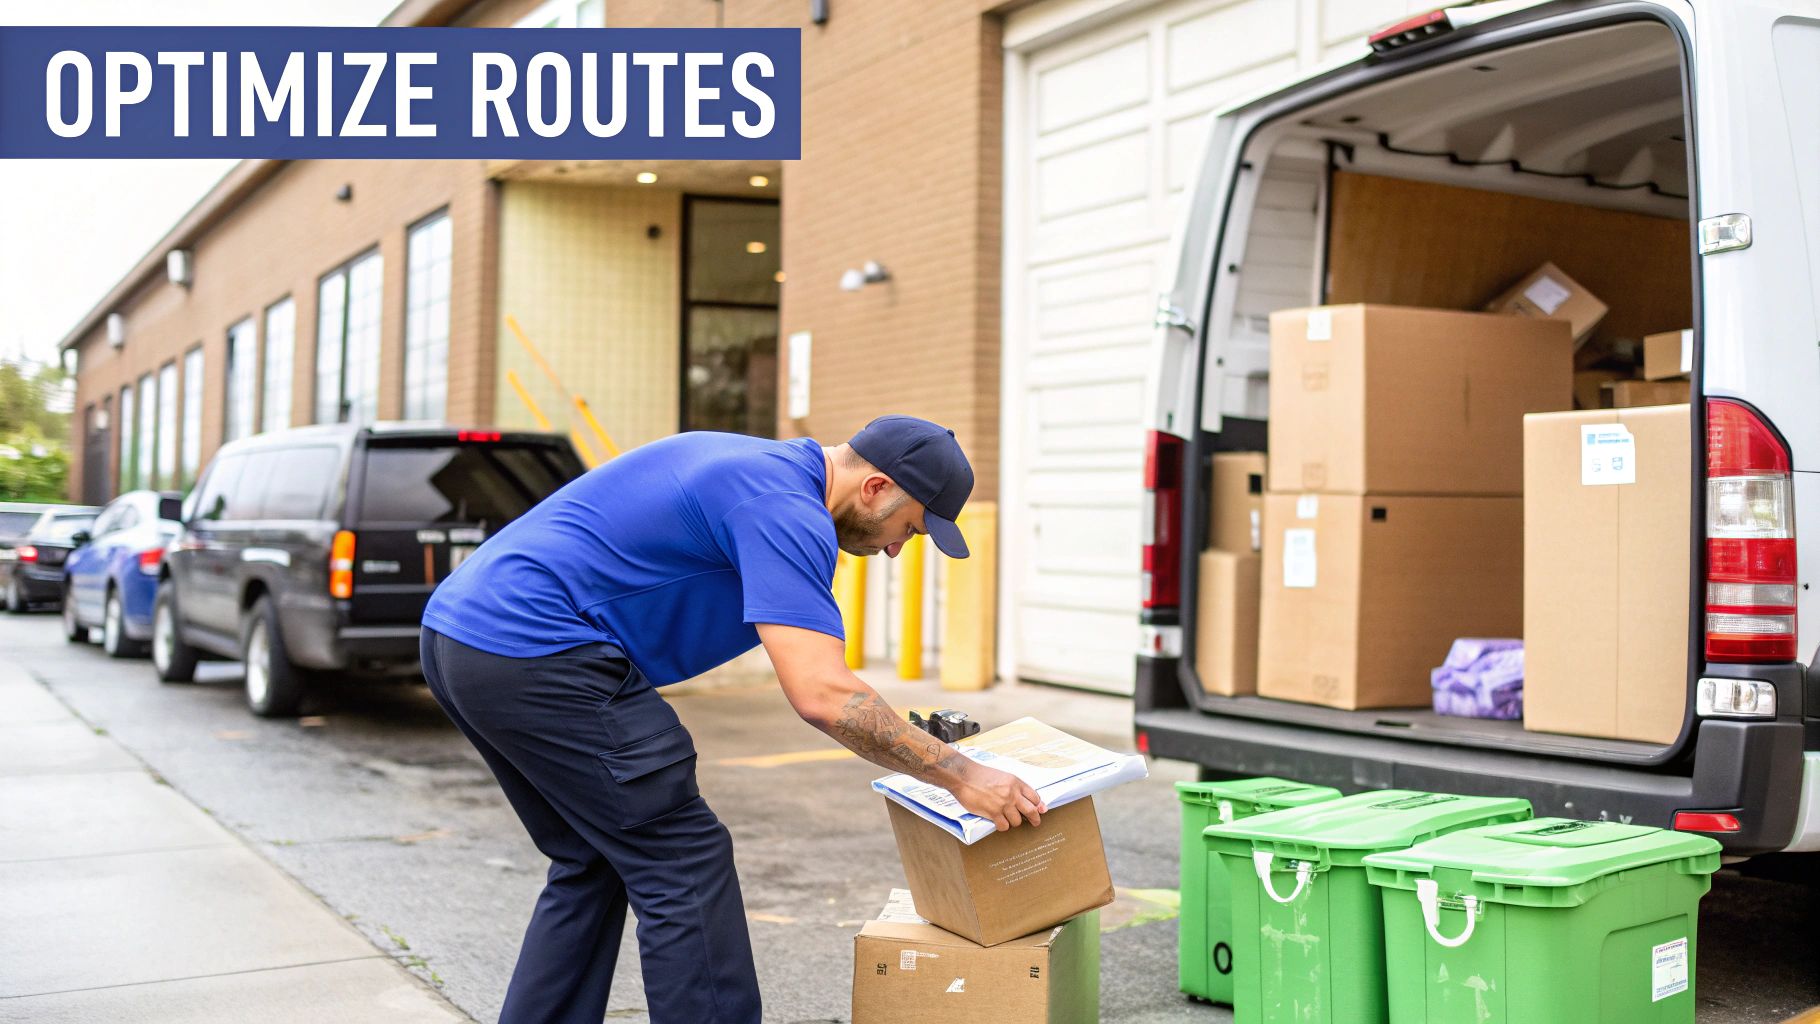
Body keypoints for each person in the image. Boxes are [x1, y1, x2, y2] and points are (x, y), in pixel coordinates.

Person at [419, 415, 1044, 1024]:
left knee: (595, 857)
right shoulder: (783, 509)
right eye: (908, 529)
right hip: (539, 650)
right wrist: (962, 774)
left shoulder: (755, 467)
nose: (893, 551)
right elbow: (824, 695)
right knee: (682, 857)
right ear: (876, 487)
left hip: (464, 637)